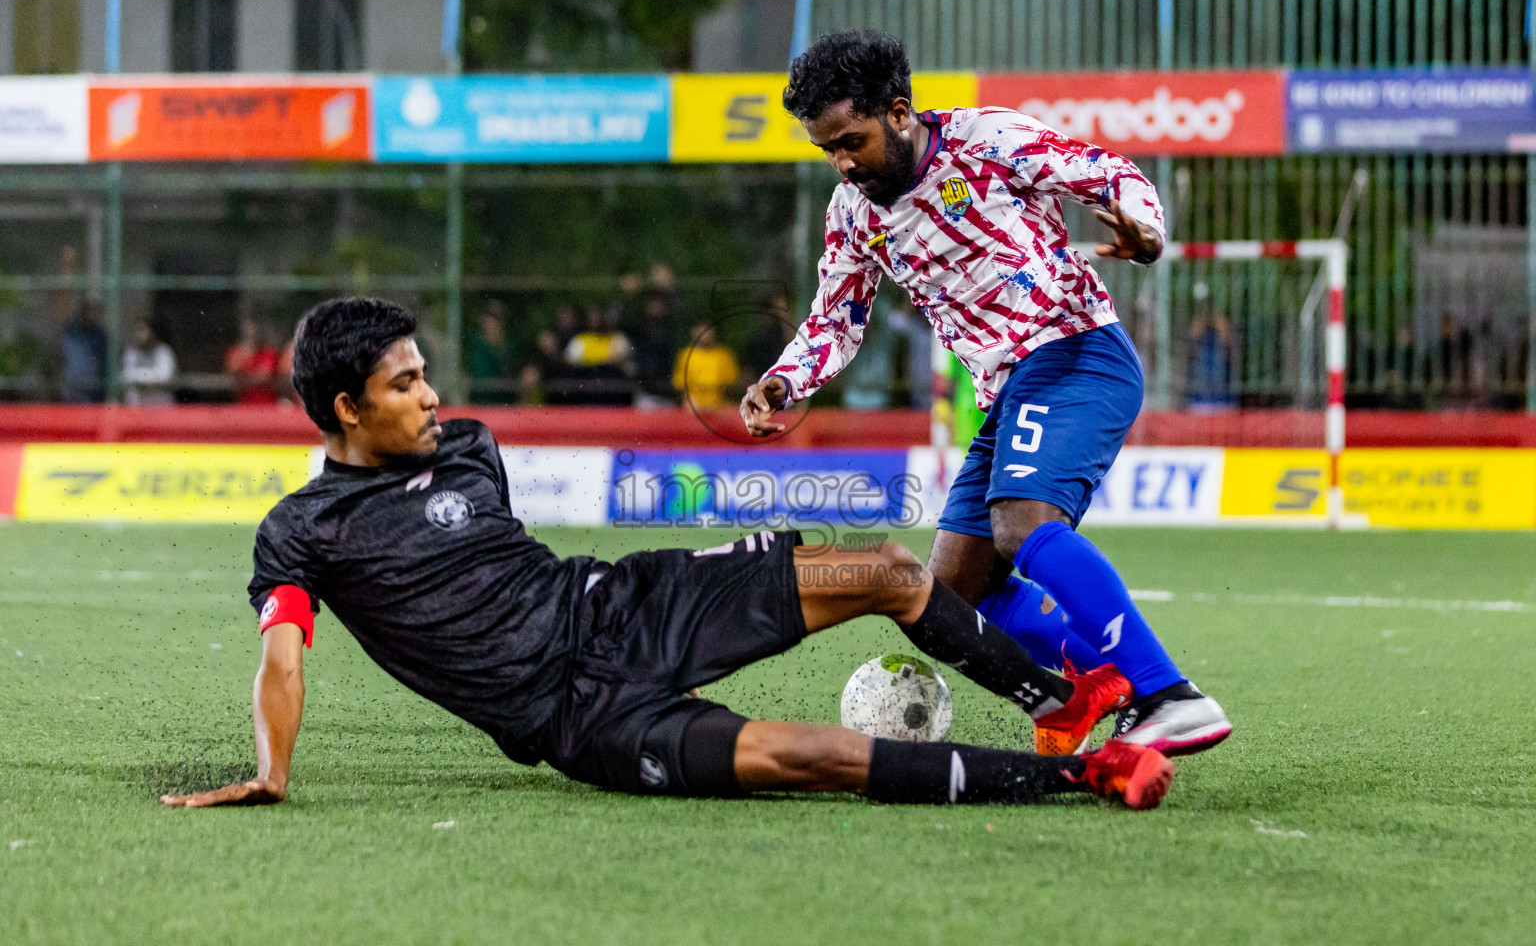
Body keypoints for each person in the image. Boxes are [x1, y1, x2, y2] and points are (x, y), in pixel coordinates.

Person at [159, 297, 1173, 811]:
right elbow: (282, 654)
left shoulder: (469, 446)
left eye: (426, 374)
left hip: (625, 604)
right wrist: (270, 772)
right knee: (811, 758)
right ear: (347, 407)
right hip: (584, 720)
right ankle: (1087, 777)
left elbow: (505, 564)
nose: (431, 395)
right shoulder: (302, 530)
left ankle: (1058, 702)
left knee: (887, 570)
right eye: (405, 383)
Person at [739, 31, 1231, 757]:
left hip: (1075, 350)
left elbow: (1107, 173)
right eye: (828, 149)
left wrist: (1147, 233)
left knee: (1022, 523)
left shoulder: (989, 141)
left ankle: (1168, 694)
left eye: (853, 140)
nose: (843, 161)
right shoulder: (852, 212)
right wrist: (784, 379)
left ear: (899, 112)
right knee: (949, 595)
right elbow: (835, 320)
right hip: (1010, 389)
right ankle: (1101, 681)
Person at [673, 321, 740, 410]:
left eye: (708, 329)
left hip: (720, 409)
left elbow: (732, 385)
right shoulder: (685, 355)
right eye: (700, 328)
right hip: (693, 409)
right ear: (693, 331)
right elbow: (680, 385)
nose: (704, 333)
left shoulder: (723, 355)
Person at [465, 300, 516, 405]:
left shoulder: (509, 346)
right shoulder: (476, 345)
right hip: (479, 405)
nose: (492, 323)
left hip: (504, 406)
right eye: (489, 318)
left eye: (497, 320)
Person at [59, 300, 108, 404]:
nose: (93, 315)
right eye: (90, 311)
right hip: (74, 384)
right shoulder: (71, 331)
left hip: (93, 385)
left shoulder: (99, 335)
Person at [225, 318, 280, 405]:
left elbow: (265, 377)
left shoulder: (269, 353)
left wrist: (245, 379)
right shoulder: (237, 353)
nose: (252, 334)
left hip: (268, 404)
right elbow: (234, 379)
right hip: (244, 404)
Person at [122, 318, 176, 406]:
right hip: (137, 406)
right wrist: (151, 380)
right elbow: (128, 375)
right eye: (137, 331)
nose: (139, 335)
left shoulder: (163, 351)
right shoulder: (131, 353)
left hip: (159, 405)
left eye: (142, 331)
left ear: (152, 332)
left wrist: (141, 380)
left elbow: (165, 377)